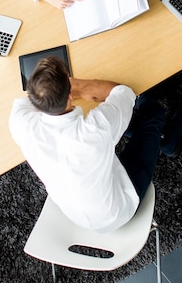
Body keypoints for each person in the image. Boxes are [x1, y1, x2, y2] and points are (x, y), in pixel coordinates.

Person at [9, 56, 165, 233]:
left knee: (120, 126)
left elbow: (26, 102)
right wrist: (80, 87)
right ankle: (166, 142)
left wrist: (53, 90)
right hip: (121, 208)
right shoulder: (96, 128)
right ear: (70, 95)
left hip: (76, 216)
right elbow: (124, 93)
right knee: (154, 115)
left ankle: (138, 132)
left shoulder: (21, 125)